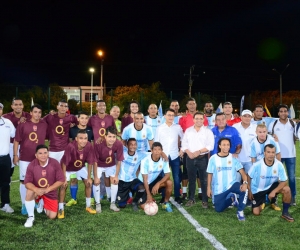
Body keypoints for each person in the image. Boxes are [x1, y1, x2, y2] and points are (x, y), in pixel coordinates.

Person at [13, 104, 48, 215]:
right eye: (35, 112)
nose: (37, 114)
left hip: (40, 158)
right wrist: (15, 155)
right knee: (24, 182)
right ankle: (24, 204)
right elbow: (16, 141)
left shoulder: (44, 124)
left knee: (39, 181)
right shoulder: (23, 124)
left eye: (39, 112)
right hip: (25, 157)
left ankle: (36, 202)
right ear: (31, 113)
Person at [247, 144, 294, 222]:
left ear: (275, 153)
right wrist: (249, 191)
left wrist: (274, 191)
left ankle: (285, 213)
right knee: (256, 213)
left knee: (287, 189)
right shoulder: (257, 165)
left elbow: (284, 180)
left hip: (272, 185)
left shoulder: (279, 164)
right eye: (268, 152)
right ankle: (265, 199)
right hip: (258, 189)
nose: (271, 154)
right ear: (264, 153)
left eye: (273, 152)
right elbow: (249, 176)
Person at [207, 138, 248, 221]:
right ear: (219, 146)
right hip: (219, 189)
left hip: (232, 184)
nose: (226, 147)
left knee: (244, 190)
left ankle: (240, 211)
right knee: (218, 209)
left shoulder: (233, 158)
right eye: (224, 145)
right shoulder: (213, 158)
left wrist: (245, 183)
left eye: (228, 145)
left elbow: (243, 173)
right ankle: (232, 199)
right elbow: (210, 174)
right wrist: (208, 188)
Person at [23, 145, 64, 227]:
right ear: (36, 155)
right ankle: (31, 217)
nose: (43, 155)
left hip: (50, 191)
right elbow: (27, 182)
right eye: (40, 153)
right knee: (29, 191)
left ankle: (42, 202)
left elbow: (61, 180)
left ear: (48, 153)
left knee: (52, 216)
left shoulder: (55, 163)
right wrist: (36, 189)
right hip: (37, 191)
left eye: (45, 153)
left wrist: (48, 189)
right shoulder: (31, 165)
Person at [58, 130, 96, 218]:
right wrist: (63, 178)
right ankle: (60, 208)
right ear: (76, 139)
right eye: (81, 138)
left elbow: (90, 162)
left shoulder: (89, 146)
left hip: (80, 167)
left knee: (88, 183)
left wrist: (89, 177)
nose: (83, 140)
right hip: (67, 168)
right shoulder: (70, 146)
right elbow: (64, 163)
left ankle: (88, 206)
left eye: (85, 138)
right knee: (63, 186)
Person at [180, 112, 214, 208]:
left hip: (202, 158)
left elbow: (210, 146)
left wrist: (199, 151)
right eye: (197, 118)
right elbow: (184, 143)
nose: (199, 120)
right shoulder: (188, 131)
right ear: (193, 120)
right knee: (191, 179)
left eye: (201, 118)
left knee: (204, 180)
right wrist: (188, 152)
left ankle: (205, 200)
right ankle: (191, 199)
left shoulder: (208, 131)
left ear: (203, 120)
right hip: (190, 158)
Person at [268, 104, 297, 205]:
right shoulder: (273, 123)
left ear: (287, 112)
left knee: (291, 177)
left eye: (285, 111)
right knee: (276, 178)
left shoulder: (293, 123)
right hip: (277, 155)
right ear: (278, 113)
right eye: (281, 111)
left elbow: (298, 135)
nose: (283, 113)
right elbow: (269, 136)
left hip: (291, 155)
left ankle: (292, 197)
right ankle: (274, 198)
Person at [155, 108, 183, 204]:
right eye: (169, 115)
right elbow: (156, 143)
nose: (171, 117)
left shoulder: (178, 127)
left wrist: (182, 150)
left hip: (175, 155)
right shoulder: (159, 128)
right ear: (165, 116)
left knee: (176, 177)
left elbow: (184, 139)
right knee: (164, 177)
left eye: (172, 115)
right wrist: (161, 153)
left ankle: (177, 196)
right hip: (163, 157)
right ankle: (163, 196)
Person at [93, 126, 124, 213]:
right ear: (105, 136)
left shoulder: (118, 144)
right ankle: (97, 203)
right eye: (109, 136)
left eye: (114, 137)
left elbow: (119, 161)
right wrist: (95, 177)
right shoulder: (98, 144)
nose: (112, 139)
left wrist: (116, 176)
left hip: (111, 164)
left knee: (114, 181)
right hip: (99, 165)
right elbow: (94, 162)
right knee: (96, 182)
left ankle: (112, 203)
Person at [138, 142, 173, 212]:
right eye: (155, 150)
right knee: (142, 206)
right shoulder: (145, 161)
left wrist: (158, 184)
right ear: (151, 150)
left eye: (159, 150)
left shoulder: (164, 160)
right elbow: (145, 180)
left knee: (169, 182)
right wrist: (148, 195)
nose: (157, 152)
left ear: (161, 150)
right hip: (142, 183)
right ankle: (145, 196)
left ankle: (165, 203)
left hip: (154, 181)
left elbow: (167, 175)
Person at [117, 138, 148, 211]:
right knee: (122, 206)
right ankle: (126, 196)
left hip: (132, 180)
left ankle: (135, 202)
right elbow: (114, 143)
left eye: (135, 144)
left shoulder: (140, 154)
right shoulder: (122, 151)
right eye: (131, 144)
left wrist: (163, 154)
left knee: (141, 188)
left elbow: (153, 153)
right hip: (122, 181)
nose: (133, 146)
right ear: (127, 145)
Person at [3, 98, 31, 177]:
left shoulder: (29, 116)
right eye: (15, 104)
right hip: (11, 146)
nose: (18, 106)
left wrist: (52, 113)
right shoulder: (6, 117)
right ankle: (7, 186)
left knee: (27, 171)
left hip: (25, 146)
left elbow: (40, 122)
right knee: (8, 170)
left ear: (23, 106)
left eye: (20, 104)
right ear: (12, 106)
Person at [0, 103, 16, 213]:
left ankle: (5, 204)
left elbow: (15, 136)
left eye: (0, 108)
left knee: (6, 182)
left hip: (5, 157)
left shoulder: (7, 122)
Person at [232, 110, 257, 179]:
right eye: (245, 116)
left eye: (249, 116)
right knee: (236, 181)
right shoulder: (235, 127)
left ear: (251, 117)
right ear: (241, 117)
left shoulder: (255, 127)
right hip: (237, 159)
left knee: (250, 181)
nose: (247, 118)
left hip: (250, 159)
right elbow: (231, 141)